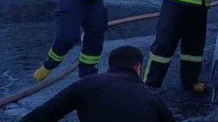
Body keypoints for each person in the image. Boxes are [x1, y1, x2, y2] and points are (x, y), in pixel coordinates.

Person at [20, 45, 175, 122]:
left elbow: (45, 114)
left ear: (110, 67)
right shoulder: (151, 97)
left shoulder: (88, 83)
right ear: (138, 68)